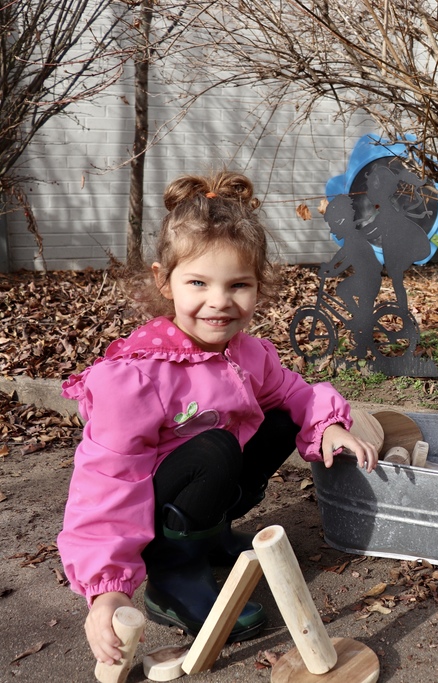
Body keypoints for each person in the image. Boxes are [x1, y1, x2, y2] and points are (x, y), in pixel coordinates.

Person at [57, 171, 379, 666]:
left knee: (277, 420)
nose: (220, 301)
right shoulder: (138, 378)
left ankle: (210, 538)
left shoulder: (247, 354)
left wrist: (327, 424)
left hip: (203, 492)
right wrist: (106, 591)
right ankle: (173, 574)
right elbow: (107, 481)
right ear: (164, 280)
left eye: (238, 285)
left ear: (258, 284)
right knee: (215, 447)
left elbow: (294, 392)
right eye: (198, 283)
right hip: (154, 506)